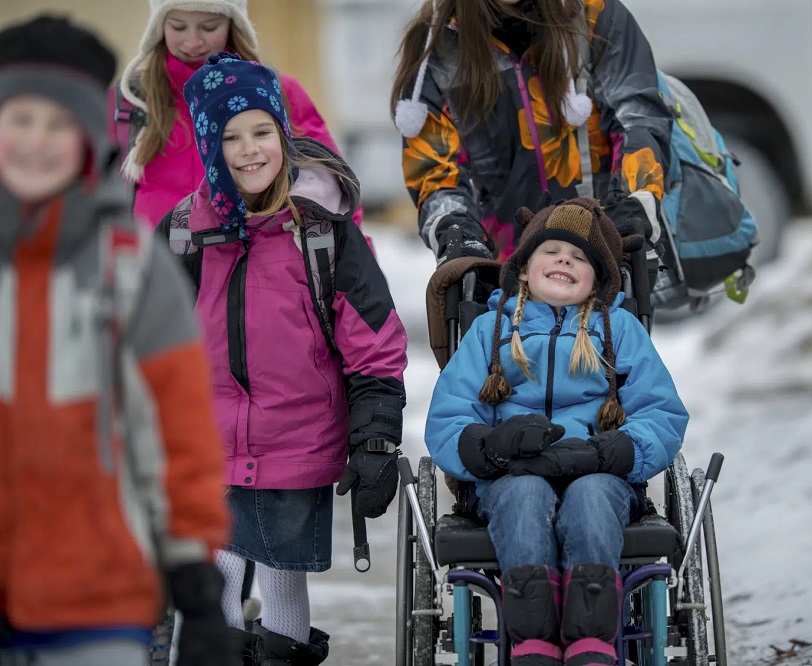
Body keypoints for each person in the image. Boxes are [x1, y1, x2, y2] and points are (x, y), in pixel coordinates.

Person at [157, 51, 408, 664]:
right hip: (207, 437)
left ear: (283, 134)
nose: (249, 150)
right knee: (215, 562)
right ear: (209, 147)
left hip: (297, 435)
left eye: (262, 132)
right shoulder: (184, 232)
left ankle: (283, 652)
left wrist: (374, 440)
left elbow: (374, 341)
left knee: (279, 569)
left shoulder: (322, 231)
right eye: (229, 136)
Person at [0, 15, 231, 666]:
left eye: (58, 125)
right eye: (21, 120)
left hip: (95, 593)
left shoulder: (132, 268)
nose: (37, 143)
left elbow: (178, 428)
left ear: (89, 140)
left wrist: (192, 568)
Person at [425, 197, 688, 665]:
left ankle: (591, 641)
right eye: (552, 250)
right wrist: (491, 445)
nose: (565, 258)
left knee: (590, 496)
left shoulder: (620, 329)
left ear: (597, 281)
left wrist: (615, 451)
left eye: (581, 256)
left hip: (599, 472)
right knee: (525, 496)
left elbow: (662, 413)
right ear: (524, 269)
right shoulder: (490, 330)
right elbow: (450, 416)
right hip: (511, 475)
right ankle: (534, 641)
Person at [392, 0, 672, 269]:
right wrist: (457, 234)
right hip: (505, 276)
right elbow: (435, 174)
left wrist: (632, 206)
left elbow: (638, 117)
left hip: (602, 256)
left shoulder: (593, 14)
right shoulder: (435, 50)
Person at [113, 0, 364, 232]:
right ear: (158, 26)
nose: (192, 41)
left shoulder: (277, 92)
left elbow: (333, 190)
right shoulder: (131, 99)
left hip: (250, 271)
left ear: (234, 23)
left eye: (209, 27)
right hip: (155, 267)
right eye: (178, 26)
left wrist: (354, 266)